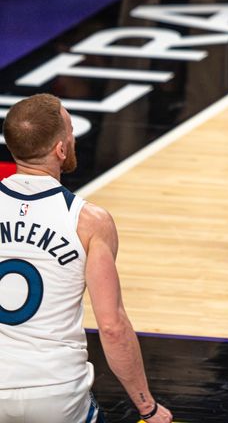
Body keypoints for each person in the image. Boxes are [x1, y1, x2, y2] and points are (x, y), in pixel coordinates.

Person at [0, 94, 172, 423]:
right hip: (56, 389)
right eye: (70, 130)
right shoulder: (89, 221)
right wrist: (146, 406)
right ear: (61, 149)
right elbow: (111, 326)